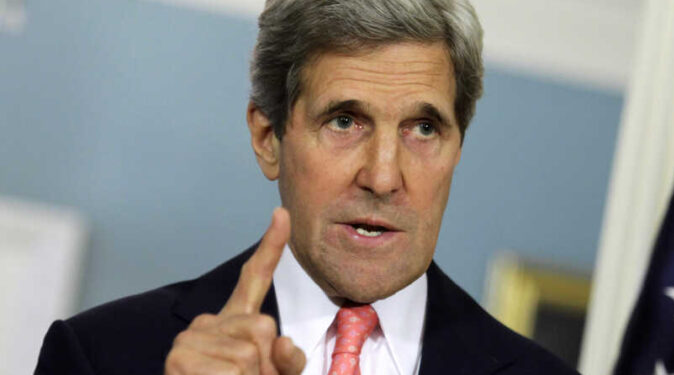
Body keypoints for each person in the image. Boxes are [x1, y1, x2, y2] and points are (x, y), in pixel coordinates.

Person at [35, 1, 579, 374]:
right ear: (268, 136)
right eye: (345, 121)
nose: (384, 177)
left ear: (458, 149)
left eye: (423, 128)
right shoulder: (102, 355)